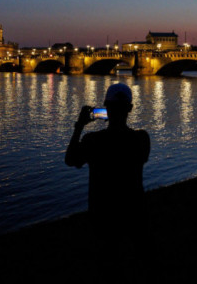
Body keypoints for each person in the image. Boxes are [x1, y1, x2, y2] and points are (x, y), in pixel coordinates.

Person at [65, 83, 150, 270]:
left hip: (101, 214)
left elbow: (70, 160)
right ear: (130, 108)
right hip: (133, 213)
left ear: (105, 107)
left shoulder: (92, 141)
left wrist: (79, 126)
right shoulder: (141, 139)